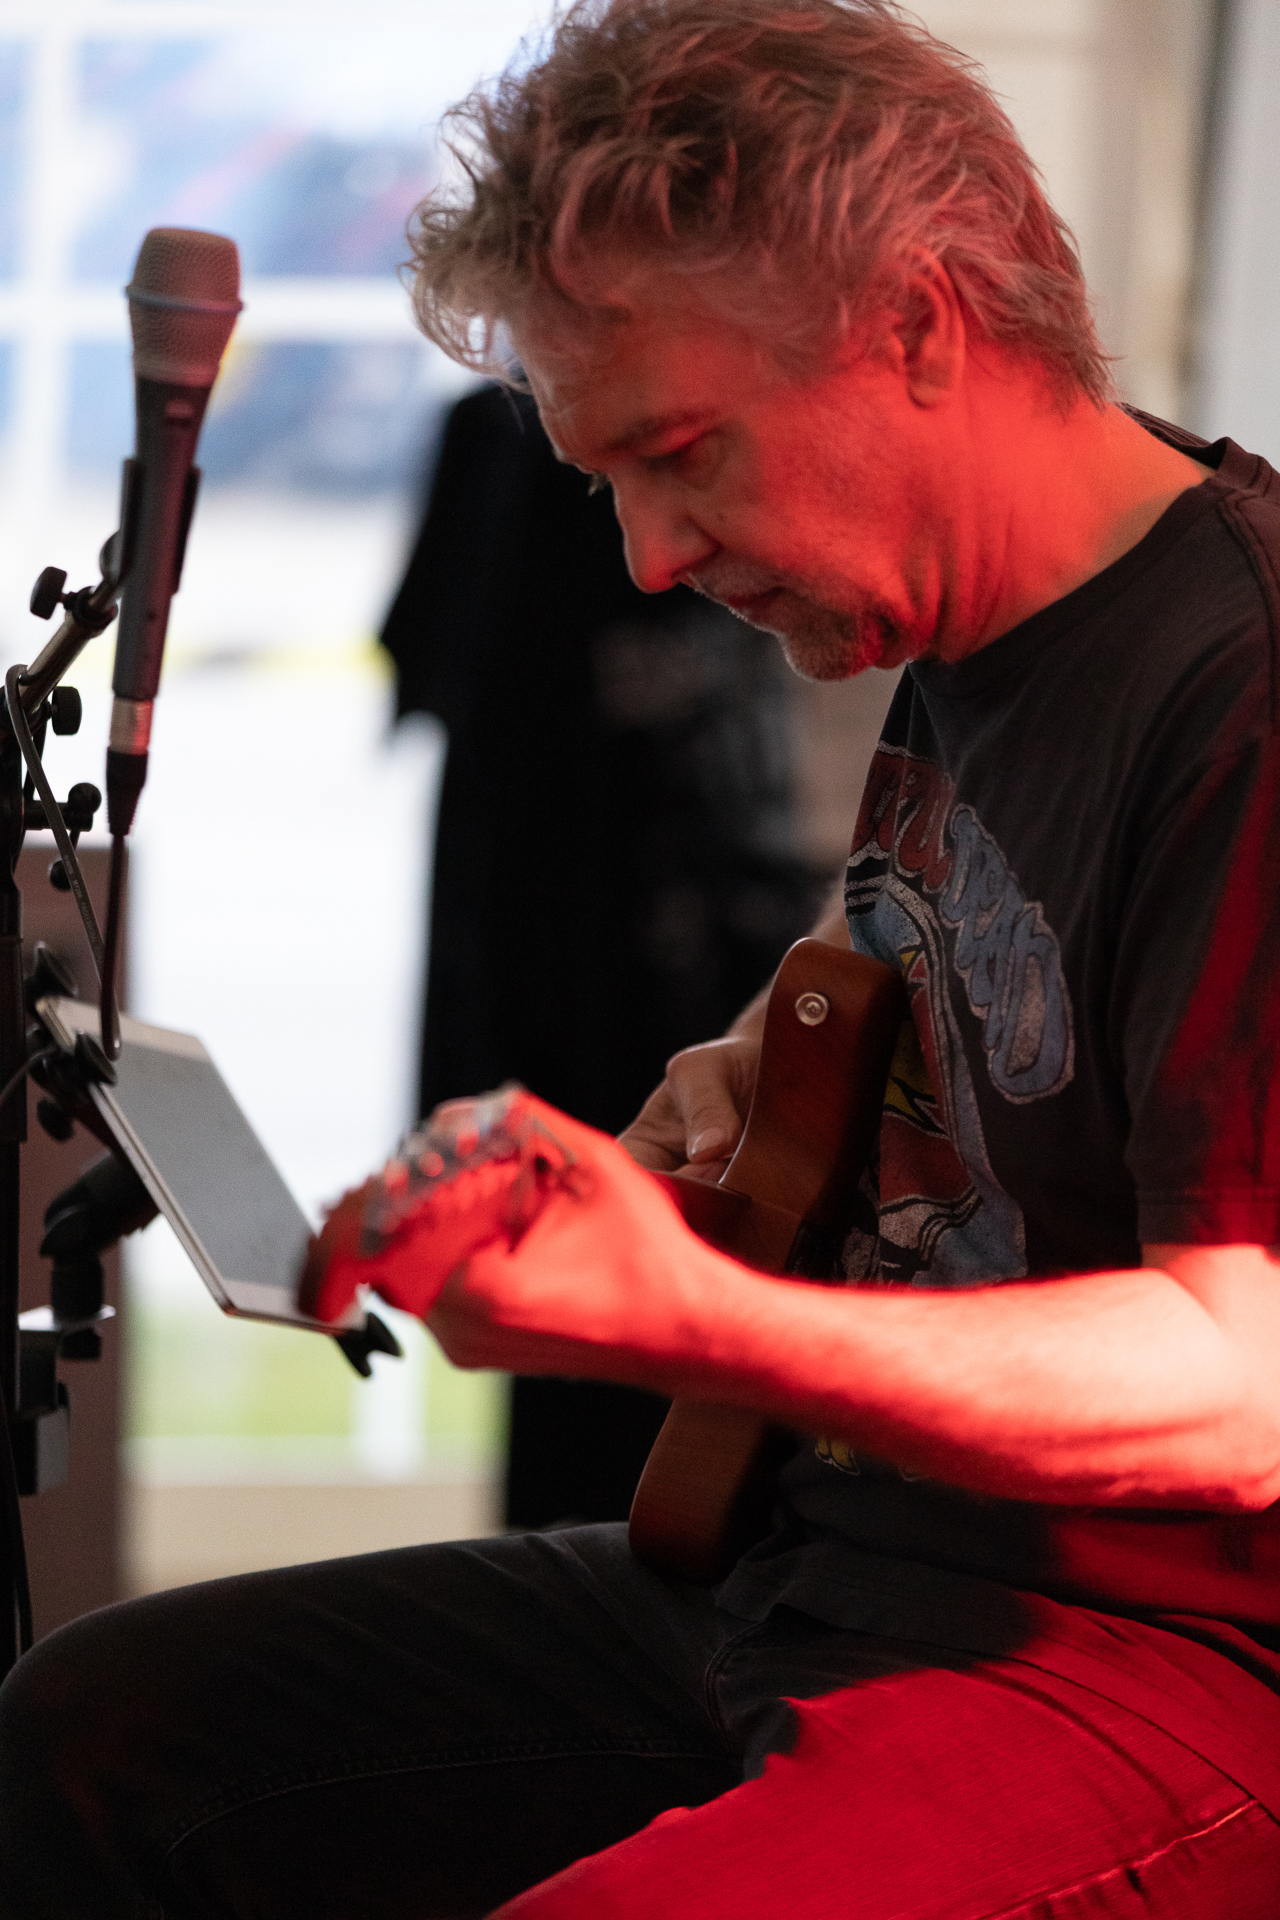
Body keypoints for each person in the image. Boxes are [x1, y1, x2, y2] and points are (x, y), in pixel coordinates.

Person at [4, 1, 1280, 1913]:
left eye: (683, 453)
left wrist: (688, 1313)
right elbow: (979, 952)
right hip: (829, 1566)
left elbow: (1243, 1378)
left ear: (922, 324)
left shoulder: (1240, 686)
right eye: (609, 481)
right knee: (93, 1735)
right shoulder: (987, 611)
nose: (649, 560)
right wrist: (758, 1062)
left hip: (1148, 1664)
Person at [382, 381, 821, 1528]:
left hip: (697, 962)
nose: (654, 555)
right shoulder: (503, 441)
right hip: (567, 970)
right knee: (581, 1362)